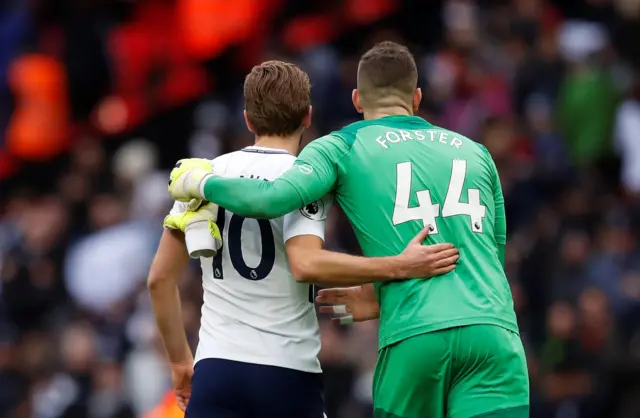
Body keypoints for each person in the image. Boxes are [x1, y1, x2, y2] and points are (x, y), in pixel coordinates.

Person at [167, 42, 530, 418]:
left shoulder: (340, 146)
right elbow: (489, 258)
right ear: (417, 97)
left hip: (414, 335)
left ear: (357, 100)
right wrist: (375, 297)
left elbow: (272, 199)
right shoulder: (475, 152)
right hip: (493, 334)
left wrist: (200, 182)